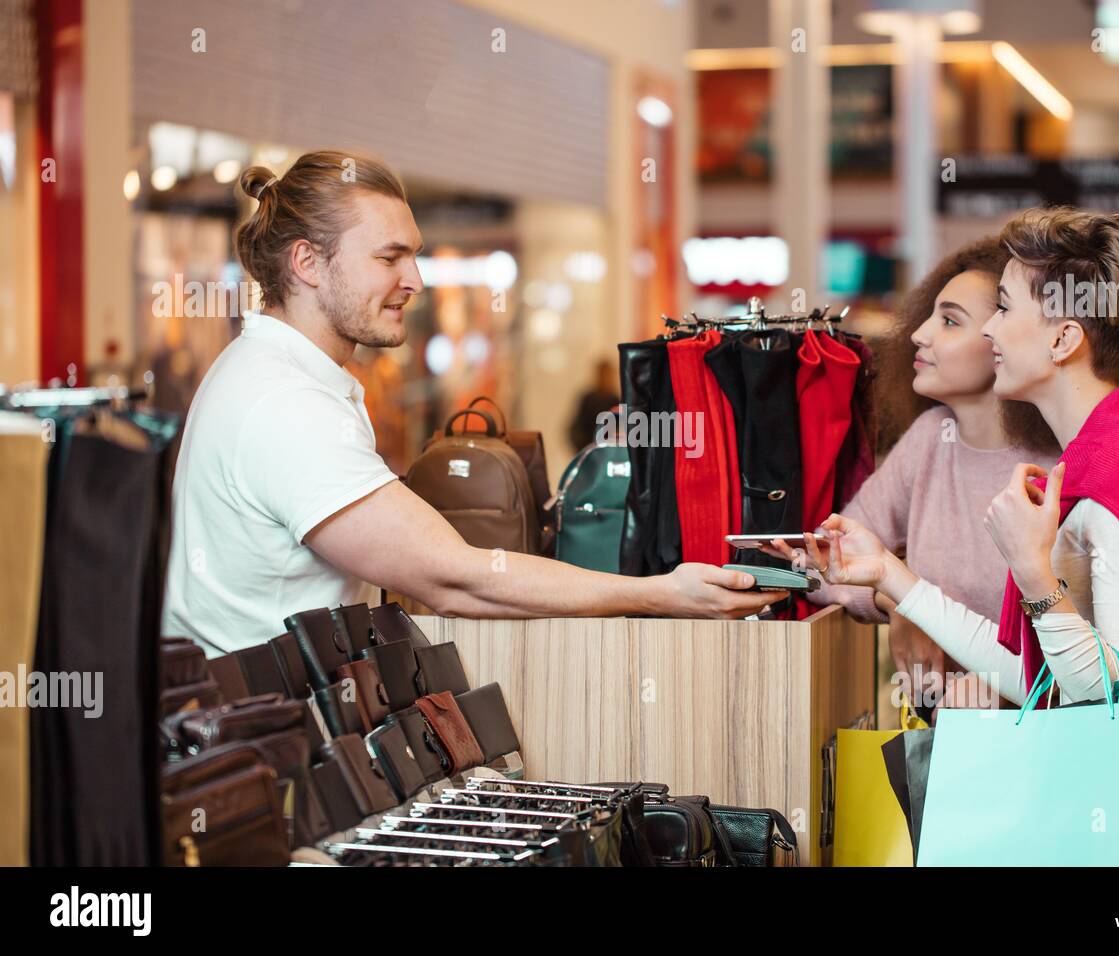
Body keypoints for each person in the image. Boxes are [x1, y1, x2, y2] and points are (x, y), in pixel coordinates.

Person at [162, 150, 778, 656]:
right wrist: (662, 593)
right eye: (389, 257)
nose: (415, 281)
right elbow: (453, 577)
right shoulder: (282, 401)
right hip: (262, 748)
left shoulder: (281, 374)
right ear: (307, 263)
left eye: (414, 255)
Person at [794, 208, 1119, 705]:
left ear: (1062, 339)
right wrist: (890, 576)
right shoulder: (1106, 456)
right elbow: (1040, 681)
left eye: (1004, 309)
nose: (991, 332)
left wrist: (1031, 569)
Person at [765, 237, 1059, 709]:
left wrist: (998, 692)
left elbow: (1092, 654)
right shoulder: (930, 439)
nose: (918, 334)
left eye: (949, 321)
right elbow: (823, 564)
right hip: (944, 741)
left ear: (1009, 335)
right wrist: (898, 605)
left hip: (1047, 742)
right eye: (929, 316)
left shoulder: (1061, 463)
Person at [568, 358, 621, 453]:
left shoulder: (615, 399)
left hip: (608, 451)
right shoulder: (588, 399)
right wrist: (583, 446)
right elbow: (577, 427)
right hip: (589, 449)